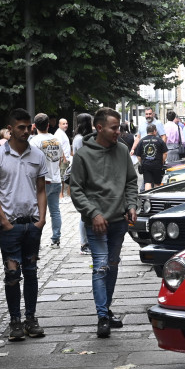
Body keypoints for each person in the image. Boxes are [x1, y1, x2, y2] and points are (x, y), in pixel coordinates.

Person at [68, 108, 138, 338]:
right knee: (100, 266)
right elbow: (76, 190)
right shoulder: (83, 156)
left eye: (119, 127)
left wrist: (131, 205)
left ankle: (106, 309)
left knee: (113, 265)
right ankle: (102, 316)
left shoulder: (122, 150)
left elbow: (130, 181)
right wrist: (93, 213)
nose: (119, 131)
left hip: (118, 220)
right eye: (114, 128)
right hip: (96, 222)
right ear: (99, 128)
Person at [0, 108, 48, 342]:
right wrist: (3, 220)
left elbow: (41, 189)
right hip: (11, 226)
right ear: (10, 129)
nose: (26, 131)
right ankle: (15, 320)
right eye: (21, 127)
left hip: (31, 224)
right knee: (12, 274)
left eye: (28, 127)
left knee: (32, 272)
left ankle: (31, 318)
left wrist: (42, 219)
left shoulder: (37, 155)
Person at [29, 113, 70, 248]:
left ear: (34, 126)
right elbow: (58, 160)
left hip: (42, 181)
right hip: (56, 179)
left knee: (38, 212)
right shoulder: (56, 139)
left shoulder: (34, 141)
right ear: (48, 125)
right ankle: (56, 239)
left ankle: (36, 240)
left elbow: (32, 162)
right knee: (55, 211)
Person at [72, 112, 94, 254]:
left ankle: (87, 241)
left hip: (84, 175)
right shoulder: (81, 139)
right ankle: (84, 242)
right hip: (84, 176)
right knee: (84, 212)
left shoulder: (78, 138)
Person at [138, 123, 168, 190]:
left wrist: (142, 162)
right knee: (157, 183)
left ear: (147, 131)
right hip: (157, 165)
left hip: (146, 164)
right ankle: (155, 199)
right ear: (154, 131)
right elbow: (165, 153)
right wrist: (162, 162)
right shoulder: (160, 141)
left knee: (147, 182)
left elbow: (138, 156)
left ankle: (147, 199)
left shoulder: (141, 141)